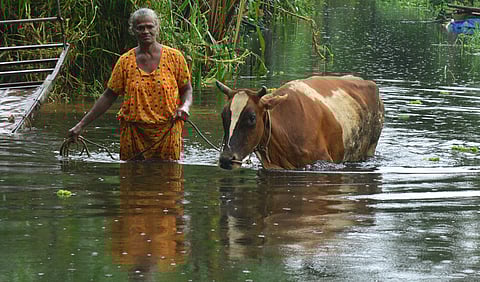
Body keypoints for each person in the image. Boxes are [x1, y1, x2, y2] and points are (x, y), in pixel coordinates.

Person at [68, 8, 192, 161]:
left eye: (149, 26)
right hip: (133, 134)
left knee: (169, 179)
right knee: (132, 181)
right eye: (140, 28)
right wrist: (81, 124)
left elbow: (186, 89)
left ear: (157, 28)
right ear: (133, 30)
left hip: (168, 132)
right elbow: (108, 96)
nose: (145, 31)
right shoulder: (125, 62)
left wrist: (184, 106)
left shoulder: (175, 57)